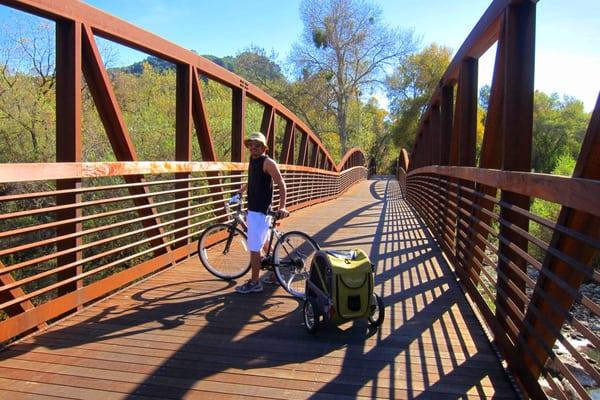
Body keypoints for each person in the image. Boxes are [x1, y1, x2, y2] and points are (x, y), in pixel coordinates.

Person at [235, 132, 289, 294]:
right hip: (254, 209)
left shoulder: (268, 162)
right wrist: (242, 190)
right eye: (251, 145)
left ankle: (255, 282)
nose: (253, 148)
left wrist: (282, 206)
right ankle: (274, 274)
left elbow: (281, 183)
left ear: (264, 148)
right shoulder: (253, 160)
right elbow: (252, 179)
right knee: (264, 243)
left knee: (254, 248)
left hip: (260, 211)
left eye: (257, 145)